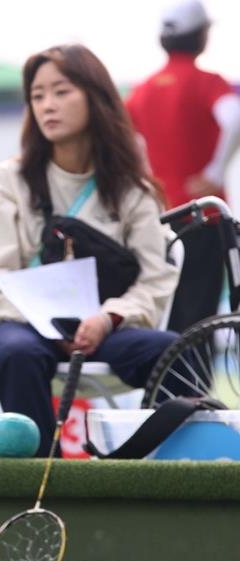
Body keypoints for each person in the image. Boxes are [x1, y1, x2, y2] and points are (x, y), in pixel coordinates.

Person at [0, 44, 183, 457]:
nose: (48, 105)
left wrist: (109, 317)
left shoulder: (133, 190)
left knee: (170, 349)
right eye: (38, 95)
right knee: (17, 352)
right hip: (23, 326)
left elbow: (155, 278)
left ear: (96, 97)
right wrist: (49, 322)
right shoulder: (8, 181)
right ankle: (43, 479)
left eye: (61, 92)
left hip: (102, 330)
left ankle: (160, 469)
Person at [126, 0, 240, 333]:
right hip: (203, 217)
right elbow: (233, 116)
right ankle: (193, 386)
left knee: (166, 313)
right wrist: (215, 172)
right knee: (200, 315)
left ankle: (168, 384)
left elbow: (125, 140)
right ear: (201, 35)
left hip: (158, 219)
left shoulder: (142, 91)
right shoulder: (207, 82)